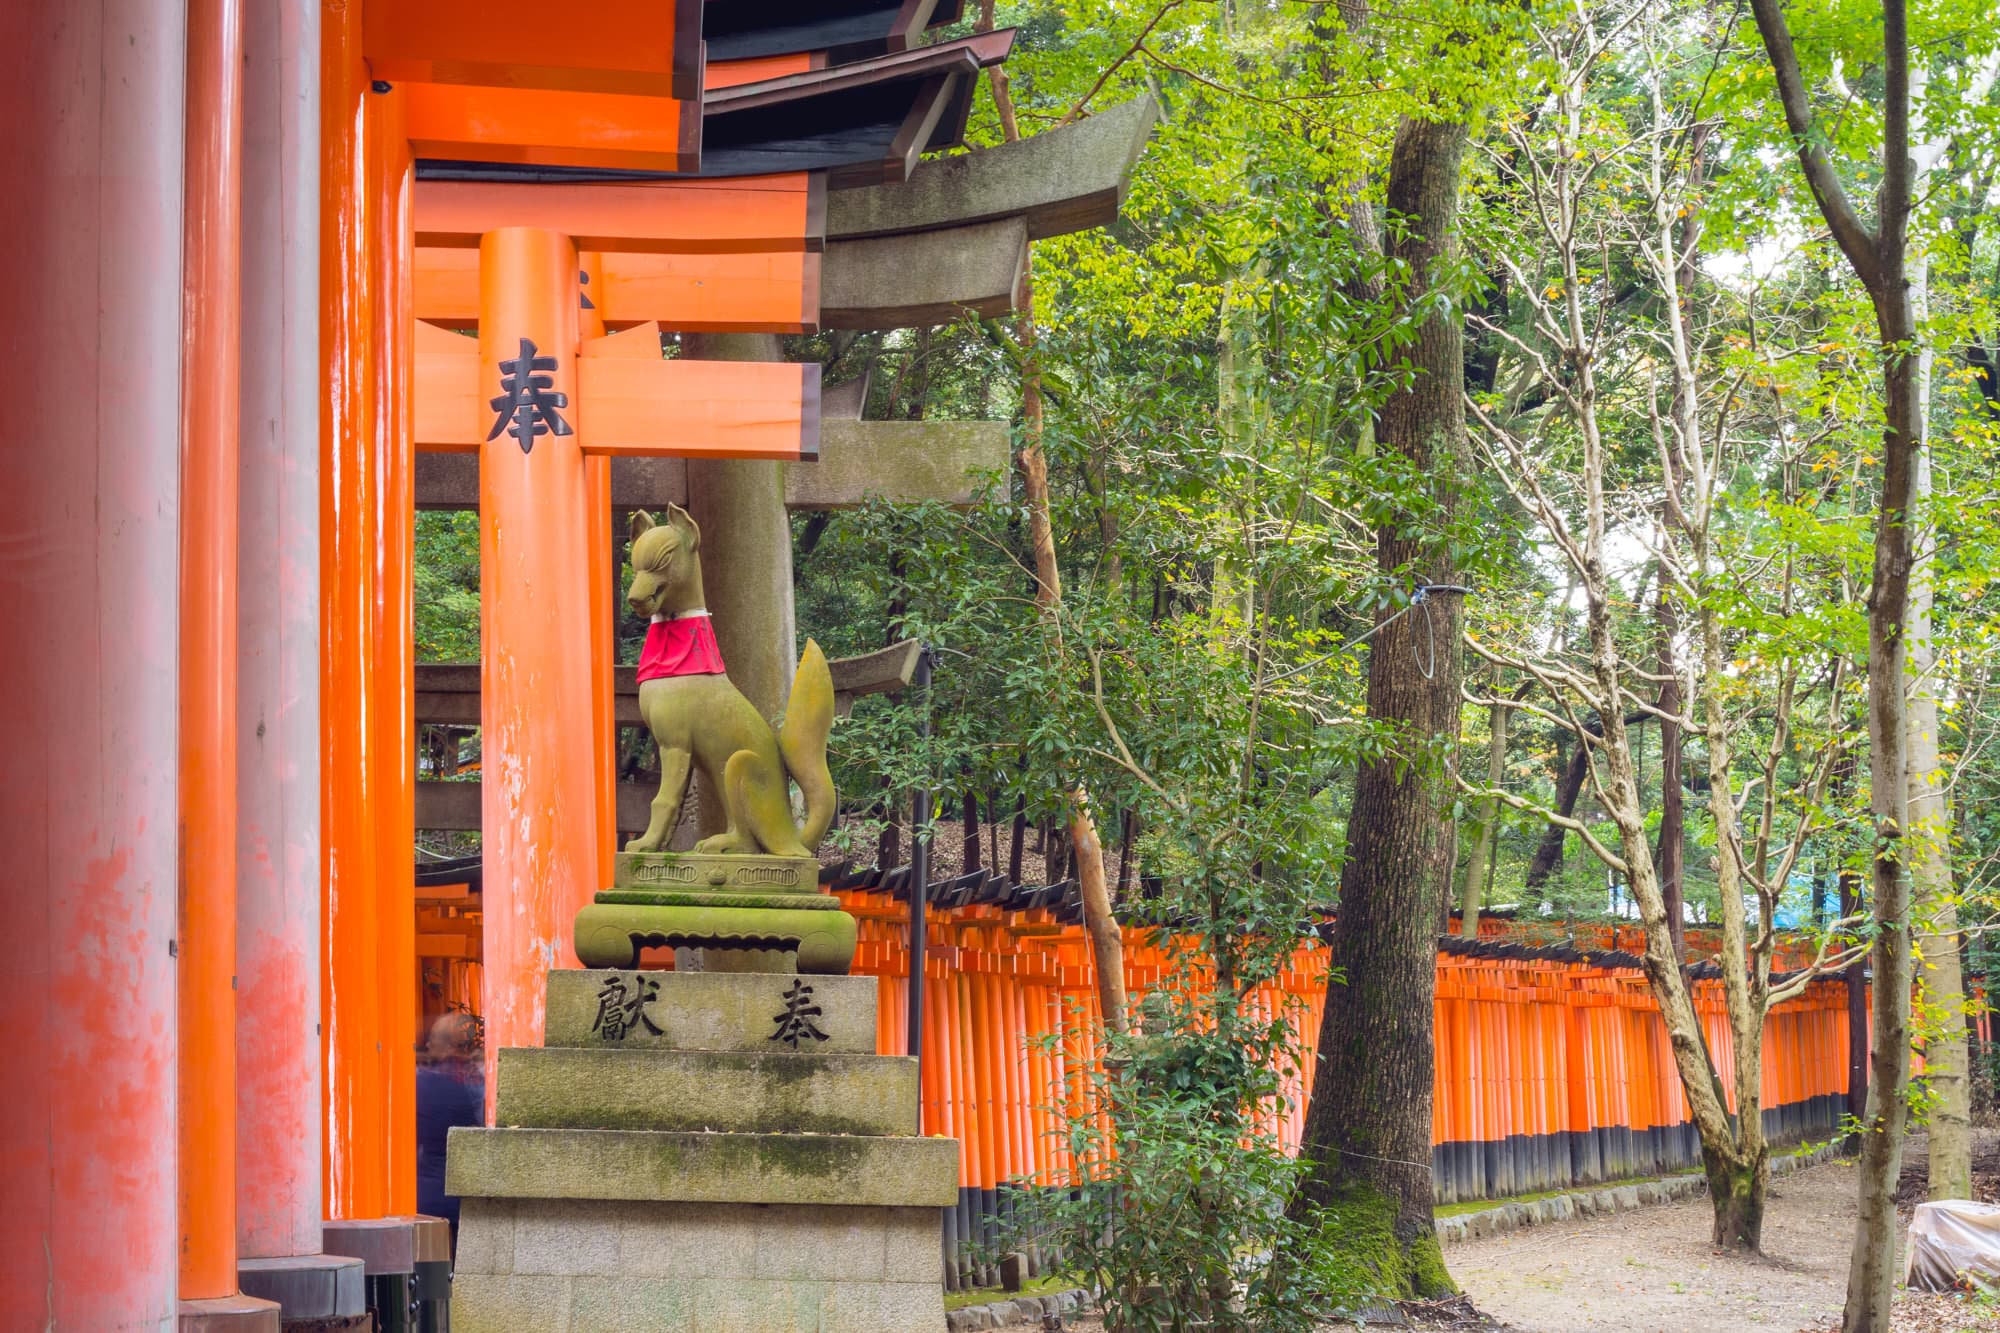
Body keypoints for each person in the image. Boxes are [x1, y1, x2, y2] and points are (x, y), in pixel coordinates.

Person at [415, 1011, 484, 1246]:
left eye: (432, 1038)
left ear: (445, 1045)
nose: (427, 1044)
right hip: (471, 1192)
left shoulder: (422, 1084)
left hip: (428, 1194)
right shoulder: (480, 1081)